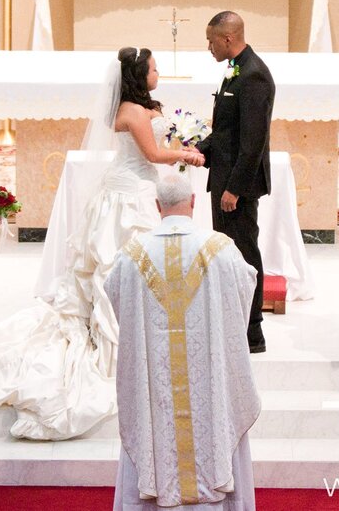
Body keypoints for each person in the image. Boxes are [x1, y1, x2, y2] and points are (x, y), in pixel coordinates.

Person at [0, 48, 203, 440]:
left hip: (141, 185)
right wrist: (186, 153)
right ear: (140, 74)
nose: (159, 73)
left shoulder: (142, 107)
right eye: (154, 69)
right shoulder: (132, 112)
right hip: (129, 195)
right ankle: (121, 335)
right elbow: (152, 154)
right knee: (115, 265)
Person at [106, 175, 259, 510]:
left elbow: (115, 296)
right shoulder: (221, 249)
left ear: (157, 206)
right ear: (193, 202)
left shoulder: (132, 255)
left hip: (155, 387)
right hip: (210, 381)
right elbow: (246, 288)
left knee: (151, 423)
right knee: (217, 416)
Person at [195, 11, 275, 354]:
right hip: (225, 179)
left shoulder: (253, 75)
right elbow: (227, 132)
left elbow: (253, 141)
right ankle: (234, 321)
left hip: (236, 188)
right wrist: (197, 150)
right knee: (228, 253)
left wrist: (235, 189)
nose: (208, 47)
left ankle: (252, 330)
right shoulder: (236, 69)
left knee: (243, 254)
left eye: (211, 40)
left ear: (228, 39)